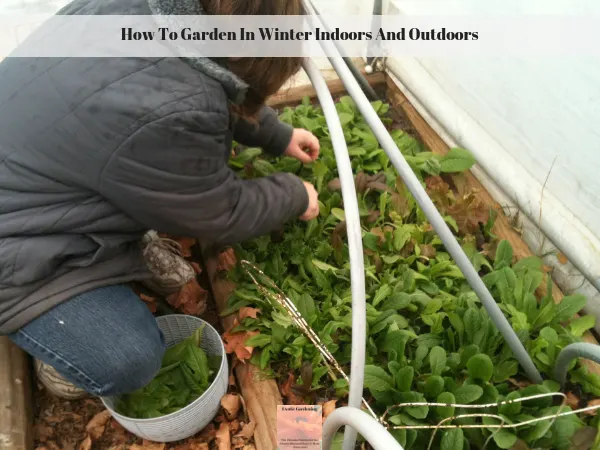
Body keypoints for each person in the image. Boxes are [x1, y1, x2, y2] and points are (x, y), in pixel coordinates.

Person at [0, 0, 319, 400]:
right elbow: (223, 209)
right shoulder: (179, 106)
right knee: (129, 358)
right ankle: (61, 352)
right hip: (14, 254)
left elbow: (204, 80)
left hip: (30, 173)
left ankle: (120, 254)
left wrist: (277, 135)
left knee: (158, 170)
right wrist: (293, 194)